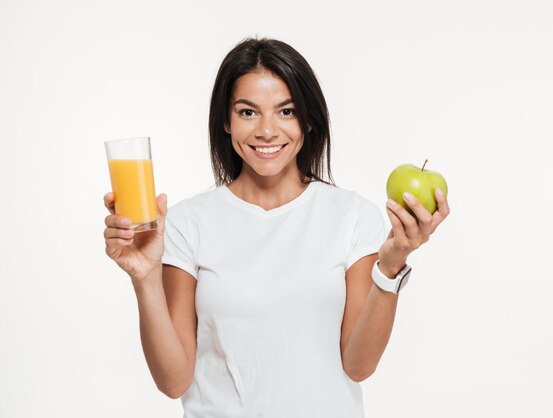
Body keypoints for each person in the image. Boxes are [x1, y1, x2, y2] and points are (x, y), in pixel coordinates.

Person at [103, 37, 450, 418]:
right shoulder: (188, 221)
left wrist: (391, 266)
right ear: (226, 120)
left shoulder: (352, 215)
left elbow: (359, 365)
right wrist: (145, 277)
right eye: (248, 113)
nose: (267, 131)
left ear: (309, 119)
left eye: (286, 112)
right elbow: (173, 382)